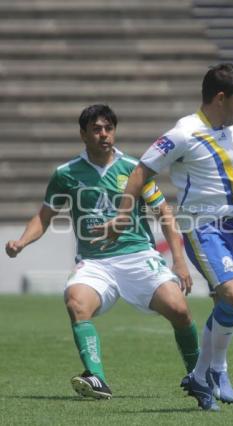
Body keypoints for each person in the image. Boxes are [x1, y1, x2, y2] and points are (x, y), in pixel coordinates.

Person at [92, 64, 233, 411]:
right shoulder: (184, 133)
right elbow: (141, 170)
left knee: (229, 301)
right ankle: (217, 368)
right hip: (202, 227)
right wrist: (123, 213)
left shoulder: (232, 132)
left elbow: (225, 181)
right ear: (220, 97)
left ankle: (200, 376)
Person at [5, 104, 200, 400]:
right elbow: (44, 216)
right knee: (76, 303)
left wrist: (180, 262)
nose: (104, 135)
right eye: (96, 129)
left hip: (138, 256)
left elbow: (165, 215)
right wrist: (21, 241)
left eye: (108, 128)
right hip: (95, 262)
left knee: (179, 310)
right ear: (83, 134)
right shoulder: (66, 174)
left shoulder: (134, 170)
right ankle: (96, 378)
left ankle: (199, 375)